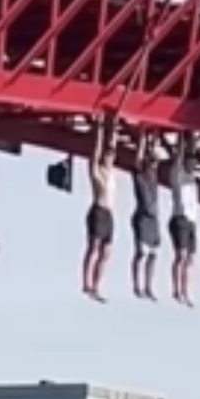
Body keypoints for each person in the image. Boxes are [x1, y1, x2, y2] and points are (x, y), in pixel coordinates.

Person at [82, 115, 116, 300]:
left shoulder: (110, 172)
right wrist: (100, 130)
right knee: (94, 247)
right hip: (99, 210)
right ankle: (87, 283)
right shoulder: (97, 171)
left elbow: (112, 145)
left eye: (112, 156)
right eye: (108, 156)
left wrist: (113, 126)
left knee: (106, 253)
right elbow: (95, 152)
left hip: (109, 214)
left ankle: (96, 285)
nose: (110, 158)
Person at [168, 134, 198, 304]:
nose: (193, 165)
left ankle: (185, 291)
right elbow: (179, 157)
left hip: (191, 222)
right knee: (181, 255)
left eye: (194, 163)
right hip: (180, 219)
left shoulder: (192, 179)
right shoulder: (178, 173)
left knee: (190, 259)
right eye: (190, 162)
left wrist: (192, 141)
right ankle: (177, 289)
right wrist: (181, 139)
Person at [130, 131, 161, 299]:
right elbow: (137, 159)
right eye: (152, 161)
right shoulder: (139, 175)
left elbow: (153, 154)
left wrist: (152, 140)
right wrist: (142, 140)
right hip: (143, 216)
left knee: (153, 255)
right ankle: (137, 286)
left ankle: (148, 287)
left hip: (153, 219)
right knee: (141, 253)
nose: (154, 164)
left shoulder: (152, 175)